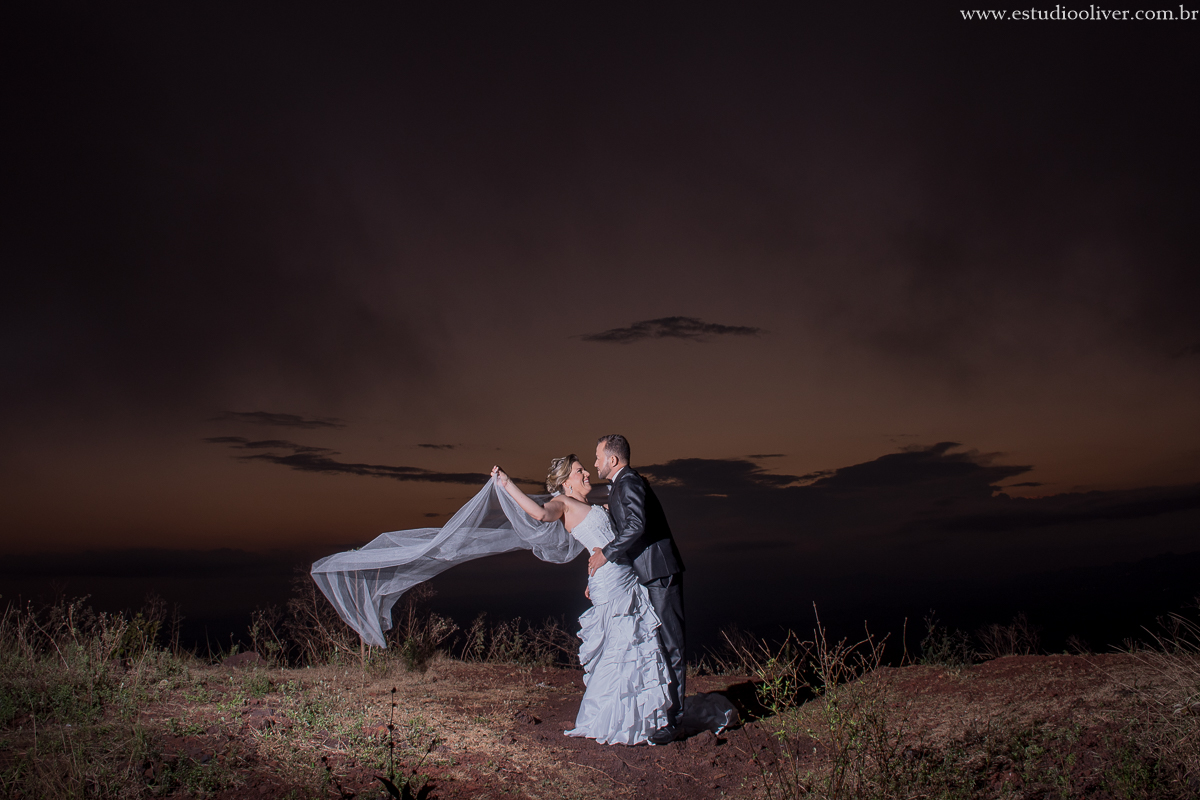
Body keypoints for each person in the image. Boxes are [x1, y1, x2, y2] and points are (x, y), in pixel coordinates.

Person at [491, 456, 671, 746]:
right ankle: (612, 719)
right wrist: (508, 483)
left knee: (634, 644)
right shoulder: (562, 503)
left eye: (585, 468)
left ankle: (640, 715)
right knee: (620, 647)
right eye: (579, 471)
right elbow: (539, 513)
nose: (587, 473)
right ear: (566, 482)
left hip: (623, 577)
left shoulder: (592, 505)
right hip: (611, 584)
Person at [588, 434, 686, 745]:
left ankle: (675, 721)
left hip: (659, 572)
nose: (595, 464)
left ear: (612, 460)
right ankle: (664, 713)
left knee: (671, 644)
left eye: (598, 457)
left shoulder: (628, 481)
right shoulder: (624, 483)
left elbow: (636, 525)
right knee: (659, 644)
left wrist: (606, 554)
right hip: (648, 573)